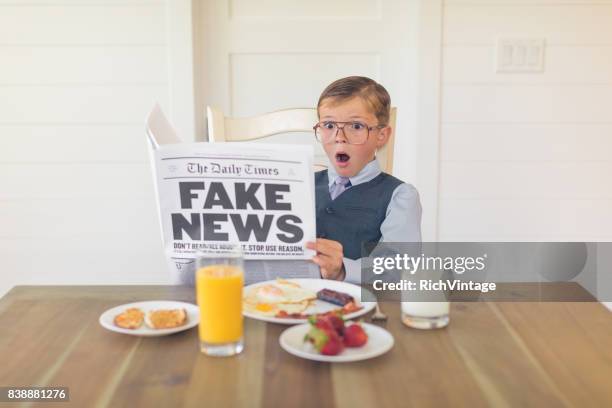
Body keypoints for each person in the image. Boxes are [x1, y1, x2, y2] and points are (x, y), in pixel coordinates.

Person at [305, 76, 422, 283]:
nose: (339, 136)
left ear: (382, 135)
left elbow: (399, 268)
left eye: (356, 126)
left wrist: (342, 269)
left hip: (359, 306)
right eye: (329, 125)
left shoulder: (400, 196)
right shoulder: (301, 184)